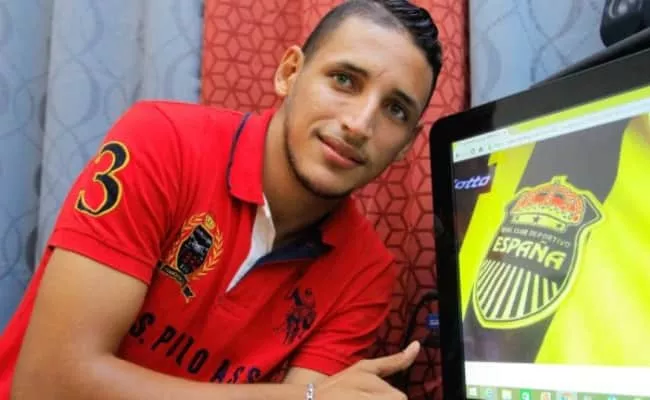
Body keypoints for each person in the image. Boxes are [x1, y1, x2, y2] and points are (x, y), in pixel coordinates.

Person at [0, 0, 442, 398]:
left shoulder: (366, 272)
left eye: (395, 110)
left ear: (407, 143)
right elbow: (47, 384)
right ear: (290, 73)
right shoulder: (162, 143)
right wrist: (304, 398)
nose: (359, 124)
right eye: (344, 80)